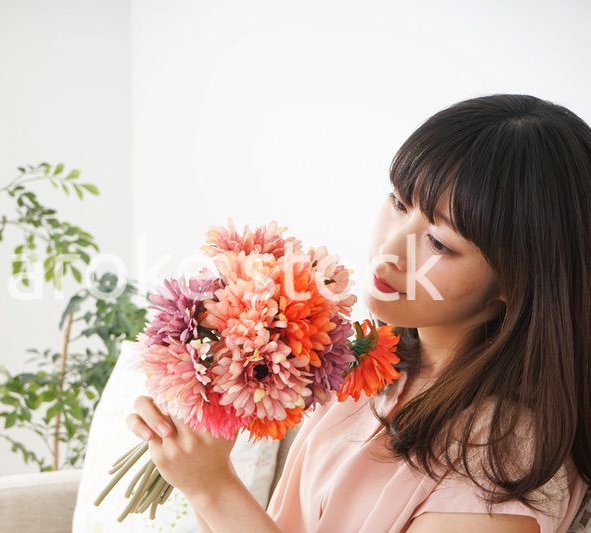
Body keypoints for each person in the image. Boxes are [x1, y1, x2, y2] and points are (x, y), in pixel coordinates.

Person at [126, 94, 591, 532]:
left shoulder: (505, 452)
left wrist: (212, 489)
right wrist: (201, 462)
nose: (390, 251)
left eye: (439, 243)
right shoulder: (364, 371)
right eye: (397, 202)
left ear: (519, 280)